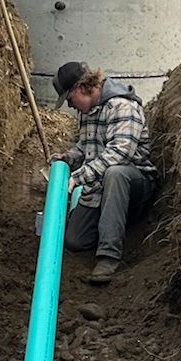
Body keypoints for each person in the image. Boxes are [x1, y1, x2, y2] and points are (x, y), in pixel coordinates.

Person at [49, 60, 159, 283]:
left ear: (81, 88)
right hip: (101, 187)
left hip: (134, 185)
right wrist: (68, 158)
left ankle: (108, 257)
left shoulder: (122, 107)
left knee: (116, 173)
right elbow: (86, 145)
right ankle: (110, 223)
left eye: (70, 100)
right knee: (74, 241)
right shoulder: (88, 111)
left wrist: (77, 177)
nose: (70, 106)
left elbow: (120, 154)